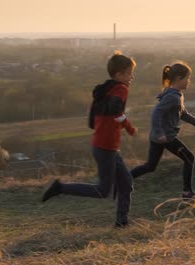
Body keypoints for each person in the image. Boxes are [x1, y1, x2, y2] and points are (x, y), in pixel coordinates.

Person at [41, 51, 137, 227]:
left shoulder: (104, 90)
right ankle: (60, 188)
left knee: (126, 183)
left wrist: (108, 126)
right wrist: (129, 128)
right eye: (130, 73)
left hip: (104, 145)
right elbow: (117, 109)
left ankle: (122, 222)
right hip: (106, 147)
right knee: (102, 191)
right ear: (119, 75)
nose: (132, 77)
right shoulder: (120, 89)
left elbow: (92, 121)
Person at [130, 62, 195, 200]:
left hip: (159, 136)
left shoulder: (176, 94)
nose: (189, 81)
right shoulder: (173, 96)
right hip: (165, 137)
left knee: (150, 166)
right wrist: (160, 134)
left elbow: (182, 113)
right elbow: (156, 113)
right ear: (178, 78)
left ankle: (123, 179)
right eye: (187, 78)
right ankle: (187, 193)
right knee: (189, 158)